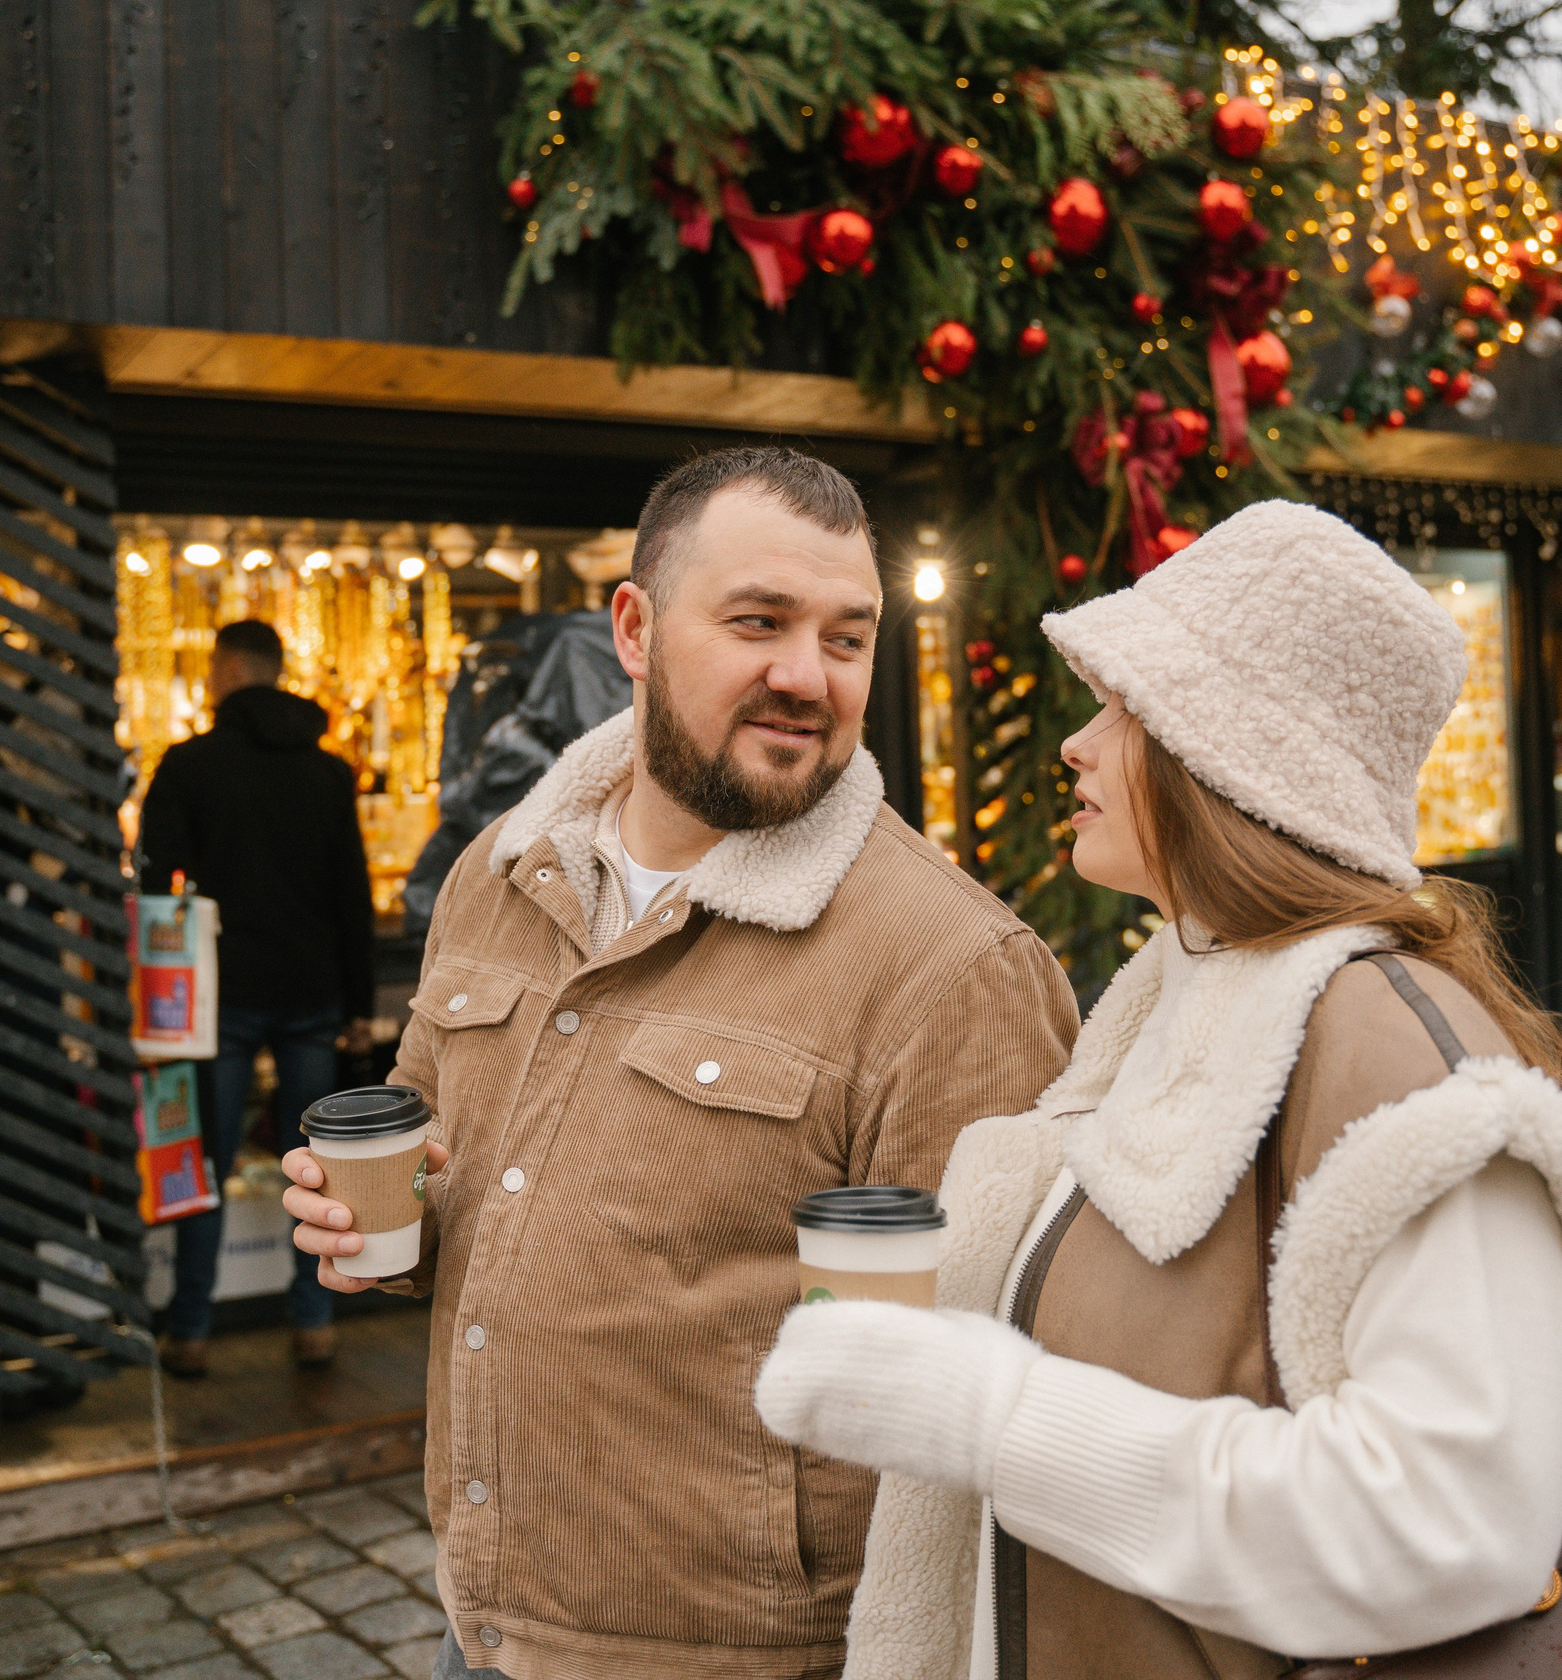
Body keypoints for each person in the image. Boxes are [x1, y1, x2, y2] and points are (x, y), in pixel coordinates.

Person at [755, 501, 1562, 1679]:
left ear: (1226, 759)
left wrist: (987, 1413)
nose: (1075, 746)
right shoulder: (1189, 996)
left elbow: (1445, 1532)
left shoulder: (1392, 1054)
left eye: (1122, 710)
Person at [280, 446, 1078, 1680]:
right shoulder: (502, 873)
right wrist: (379, 1231)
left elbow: (983, 1409)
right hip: (478, 1625)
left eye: (847, 638)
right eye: (759, 622)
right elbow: (455, 1197)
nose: (806, 676)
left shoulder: (955, 966)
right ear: (637, 629)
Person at [139, 618, 377, 1377]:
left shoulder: (191, 764)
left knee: (206, 1162)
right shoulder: (328, 772)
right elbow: (353, 898)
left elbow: (154, 876)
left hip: (225, 994)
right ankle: (315, 1324)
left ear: (229, 670)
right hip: (310, 991)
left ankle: (192, 1331)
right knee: (312, 1167)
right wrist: (358, 1006)